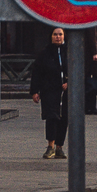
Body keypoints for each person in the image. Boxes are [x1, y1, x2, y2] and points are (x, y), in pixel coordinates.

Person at [30, 27, 69, 158]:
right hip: (50, 90)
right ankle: (50, 146)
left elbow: (78, 70)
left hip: (66, 92)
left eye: (60, 34)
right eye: (55, 34)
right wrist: (34, 91)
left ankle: (60, 147)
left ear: (64, 36)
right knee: (52, 117)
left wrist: (70, 82)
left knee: (64, 118)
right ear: (51, 36)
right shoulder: (45, 53)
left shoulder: (69, 52)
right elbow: (37, 73)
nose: (58, 37)